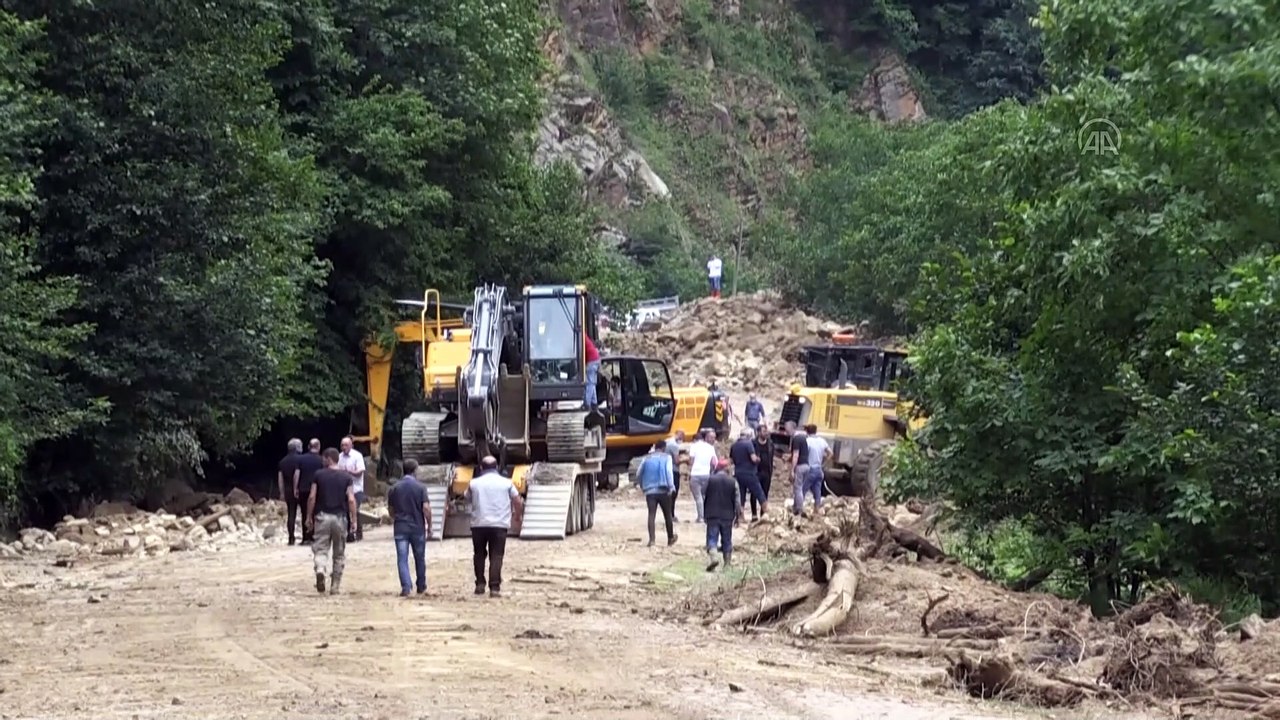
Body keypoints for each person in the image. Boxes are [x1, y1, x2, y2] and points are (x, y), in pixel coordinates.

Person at [464, 455, 524, 598]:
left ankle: (479, 584)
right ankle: (494, 587)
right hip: (499, 525)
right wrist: (517, 516)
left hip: (478, 524)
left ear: (481, 468)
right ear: (497, 467)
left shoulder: (474, 483)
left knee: (479, 555)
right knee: (496, 555)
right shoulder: (507, 483)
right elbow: (517, 500)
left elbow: (467, 497)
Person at [306, 448, 357, 595]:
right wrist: (354, 520)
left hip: (322, 517)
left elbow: (312, 497)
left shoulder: (318, 475)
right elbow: (351, 499)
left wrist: (309, 516)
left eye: (324, 458)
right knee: (339, 553)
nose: (322, 461)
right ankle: (335, 585)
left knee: (321, 549)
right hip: (340, 518)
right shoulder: (346, 477)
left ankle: (320, 570)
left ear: (328, 459)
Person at [387, 459, 432, 597]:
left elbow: (390, 510)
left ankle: (406, 587)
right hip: (417, 527)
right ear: (415, 470)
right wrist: (429, 525)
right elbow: (426, 508)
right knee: (420, 557)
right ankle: (421, 585)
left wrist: (397, 518)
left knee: (402, 558)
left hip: (400, 527)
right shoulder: (420, 487)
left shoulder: (394, 488)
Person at [636, 440, 677, 547]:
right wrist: (671, 486)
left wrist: (642, 485)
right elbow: (669, 472)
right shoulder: (667, 457)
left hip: (650, 491)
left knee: (651, 514)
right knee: (667, 514)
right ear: (663, 448)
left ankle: (652, 540)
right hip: (663, 490)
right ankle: (670, 538)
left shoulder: (646, 458)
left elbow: (638, 473)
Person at [703, 459, 740, 570]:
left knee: (712, 537)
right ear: (726, 469)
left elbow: (704, 495)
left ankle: (714, 557)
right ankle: (727, 564)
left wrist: (704, 513)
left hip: (712, 514)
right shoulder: (733, 481)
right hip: (727, 516)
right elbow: (737, 501)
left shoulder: (710, 480)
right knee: (727, 539)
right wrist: (738, 516)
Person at [729, 428, 766, 519]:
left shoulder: (734, 445)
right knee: (759, 493)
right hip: (749, 473)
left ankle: (741, 517)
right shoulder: (748, 444)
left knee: (741, 495)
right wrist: (758, 459)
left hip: (738, 473)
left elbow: (731, 460)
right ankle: (767, 513)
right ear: (749, 435)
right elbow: (753, 458)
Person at [295, 439, 325, 543]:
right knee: (316, 513)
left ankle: (305, 537)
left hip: (303, 489)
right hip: (317, 490)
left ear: (308, 446)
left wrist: (296, 488)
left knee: (305, 513)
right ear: (319, 447)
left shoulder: (301, 459)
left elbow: (297, 474)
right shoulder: (321, 460)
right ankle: (315, 536)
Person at [687, 429, 718, 523]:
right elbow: (714, 462)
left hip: (695, 474)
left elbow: (691, 461)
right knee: (704, 496)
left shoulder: (694, 446)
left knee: (698, 497)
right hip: (706, 474)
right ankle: (707, 515)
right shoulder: (710, 448)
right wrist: (711, 471)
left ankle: (700, 517)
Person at [338, 436, 366, 541]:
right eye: (342, 445)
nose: (343, 447)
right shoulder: (339, 457)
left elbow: (360, 472)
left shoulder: (357, 456)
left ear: (351, 445)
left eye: (346, 445)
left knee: (356, 510)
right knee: (345, 511)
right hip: (344, 489)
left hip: (356, 488)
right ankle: (349, 534)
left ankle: (358, 533)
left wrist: (350, 472)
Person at [277, 438, 303, 545]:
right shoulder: (301, 460)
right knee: (304, 513)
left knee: (291, 514)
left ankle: (291, 538)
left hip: (288, 491)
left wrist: (281, 492)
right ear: (297, 447)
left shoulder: (282, 461)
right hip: (300, 489)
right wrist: (296, 487)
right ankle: (306, 536)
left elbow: (280, 478)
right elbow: (298, 474)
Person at [803, 424, 832, 511]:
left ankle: (798, 509)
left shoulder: (807, 441)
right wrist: (824, 463)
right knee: (817, 491)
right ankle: (817, 509)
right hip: (819, 469)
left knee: (802, 490)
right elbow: (831, 453)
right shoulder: (822, 441)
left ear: (807, 432)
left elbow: (803, 454)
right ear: (816, 431)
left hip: (810, 469)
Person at [752, 424, 775, 521]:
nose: (766, 433)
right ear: (758, 432)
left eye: (766, 431)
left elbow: (772, 456)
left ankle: (762, 513)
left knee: (765, 493)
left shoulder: (770, 443)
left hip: (767, 472)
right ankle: (754, 515)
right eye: (763, 431)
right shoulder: (753, 443)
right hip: (756, 472)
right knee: (754, 493)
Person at [663, 429, 686, 522]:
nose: (683, 439)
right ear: (679, 435)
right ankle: (671, 515)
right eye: (682, 437)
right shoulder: (674, 445)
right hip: (674, 471)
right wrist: (686, 460)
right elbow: (676, 461)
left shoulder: (667, 442)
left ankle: (669, 514)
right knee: (673, 493)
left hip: (666, 470)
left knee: (669, 493)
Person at [787, 422, 810, 515]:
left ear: (792, 428)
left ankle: (799, 509)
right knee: (799, 487)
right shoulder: (803, 438)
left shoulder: (796, 439)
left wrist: (792, 470)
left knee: (798, 488)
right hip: (806, 465)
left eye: (787, 429)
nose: (786, 431)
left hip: (800, 466)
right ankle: (795, 507)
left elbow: (796, 455)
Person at [584, 332, 601, 408]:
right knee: (592, 382)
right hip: (595, 359)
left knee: (589, 382)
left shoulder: (580, 338)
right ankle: (594, 402)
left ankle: (587, 403)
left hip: (592, 361)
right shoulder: (584, 336)